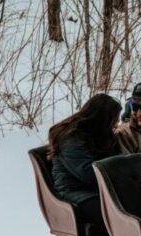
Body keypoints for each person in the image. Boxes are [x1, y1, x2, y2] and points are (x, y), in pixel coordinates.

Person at [48, 94, 122, 227]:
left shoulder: (101, 136)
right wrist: (119, 176)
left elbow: (115, 160)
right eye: (114, 120)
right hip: (75, 191)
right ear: (102, 119)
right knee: (118, 214)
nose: (116, 124)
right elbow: (88, 172)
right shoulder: (71, 139)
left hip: (97, 190)